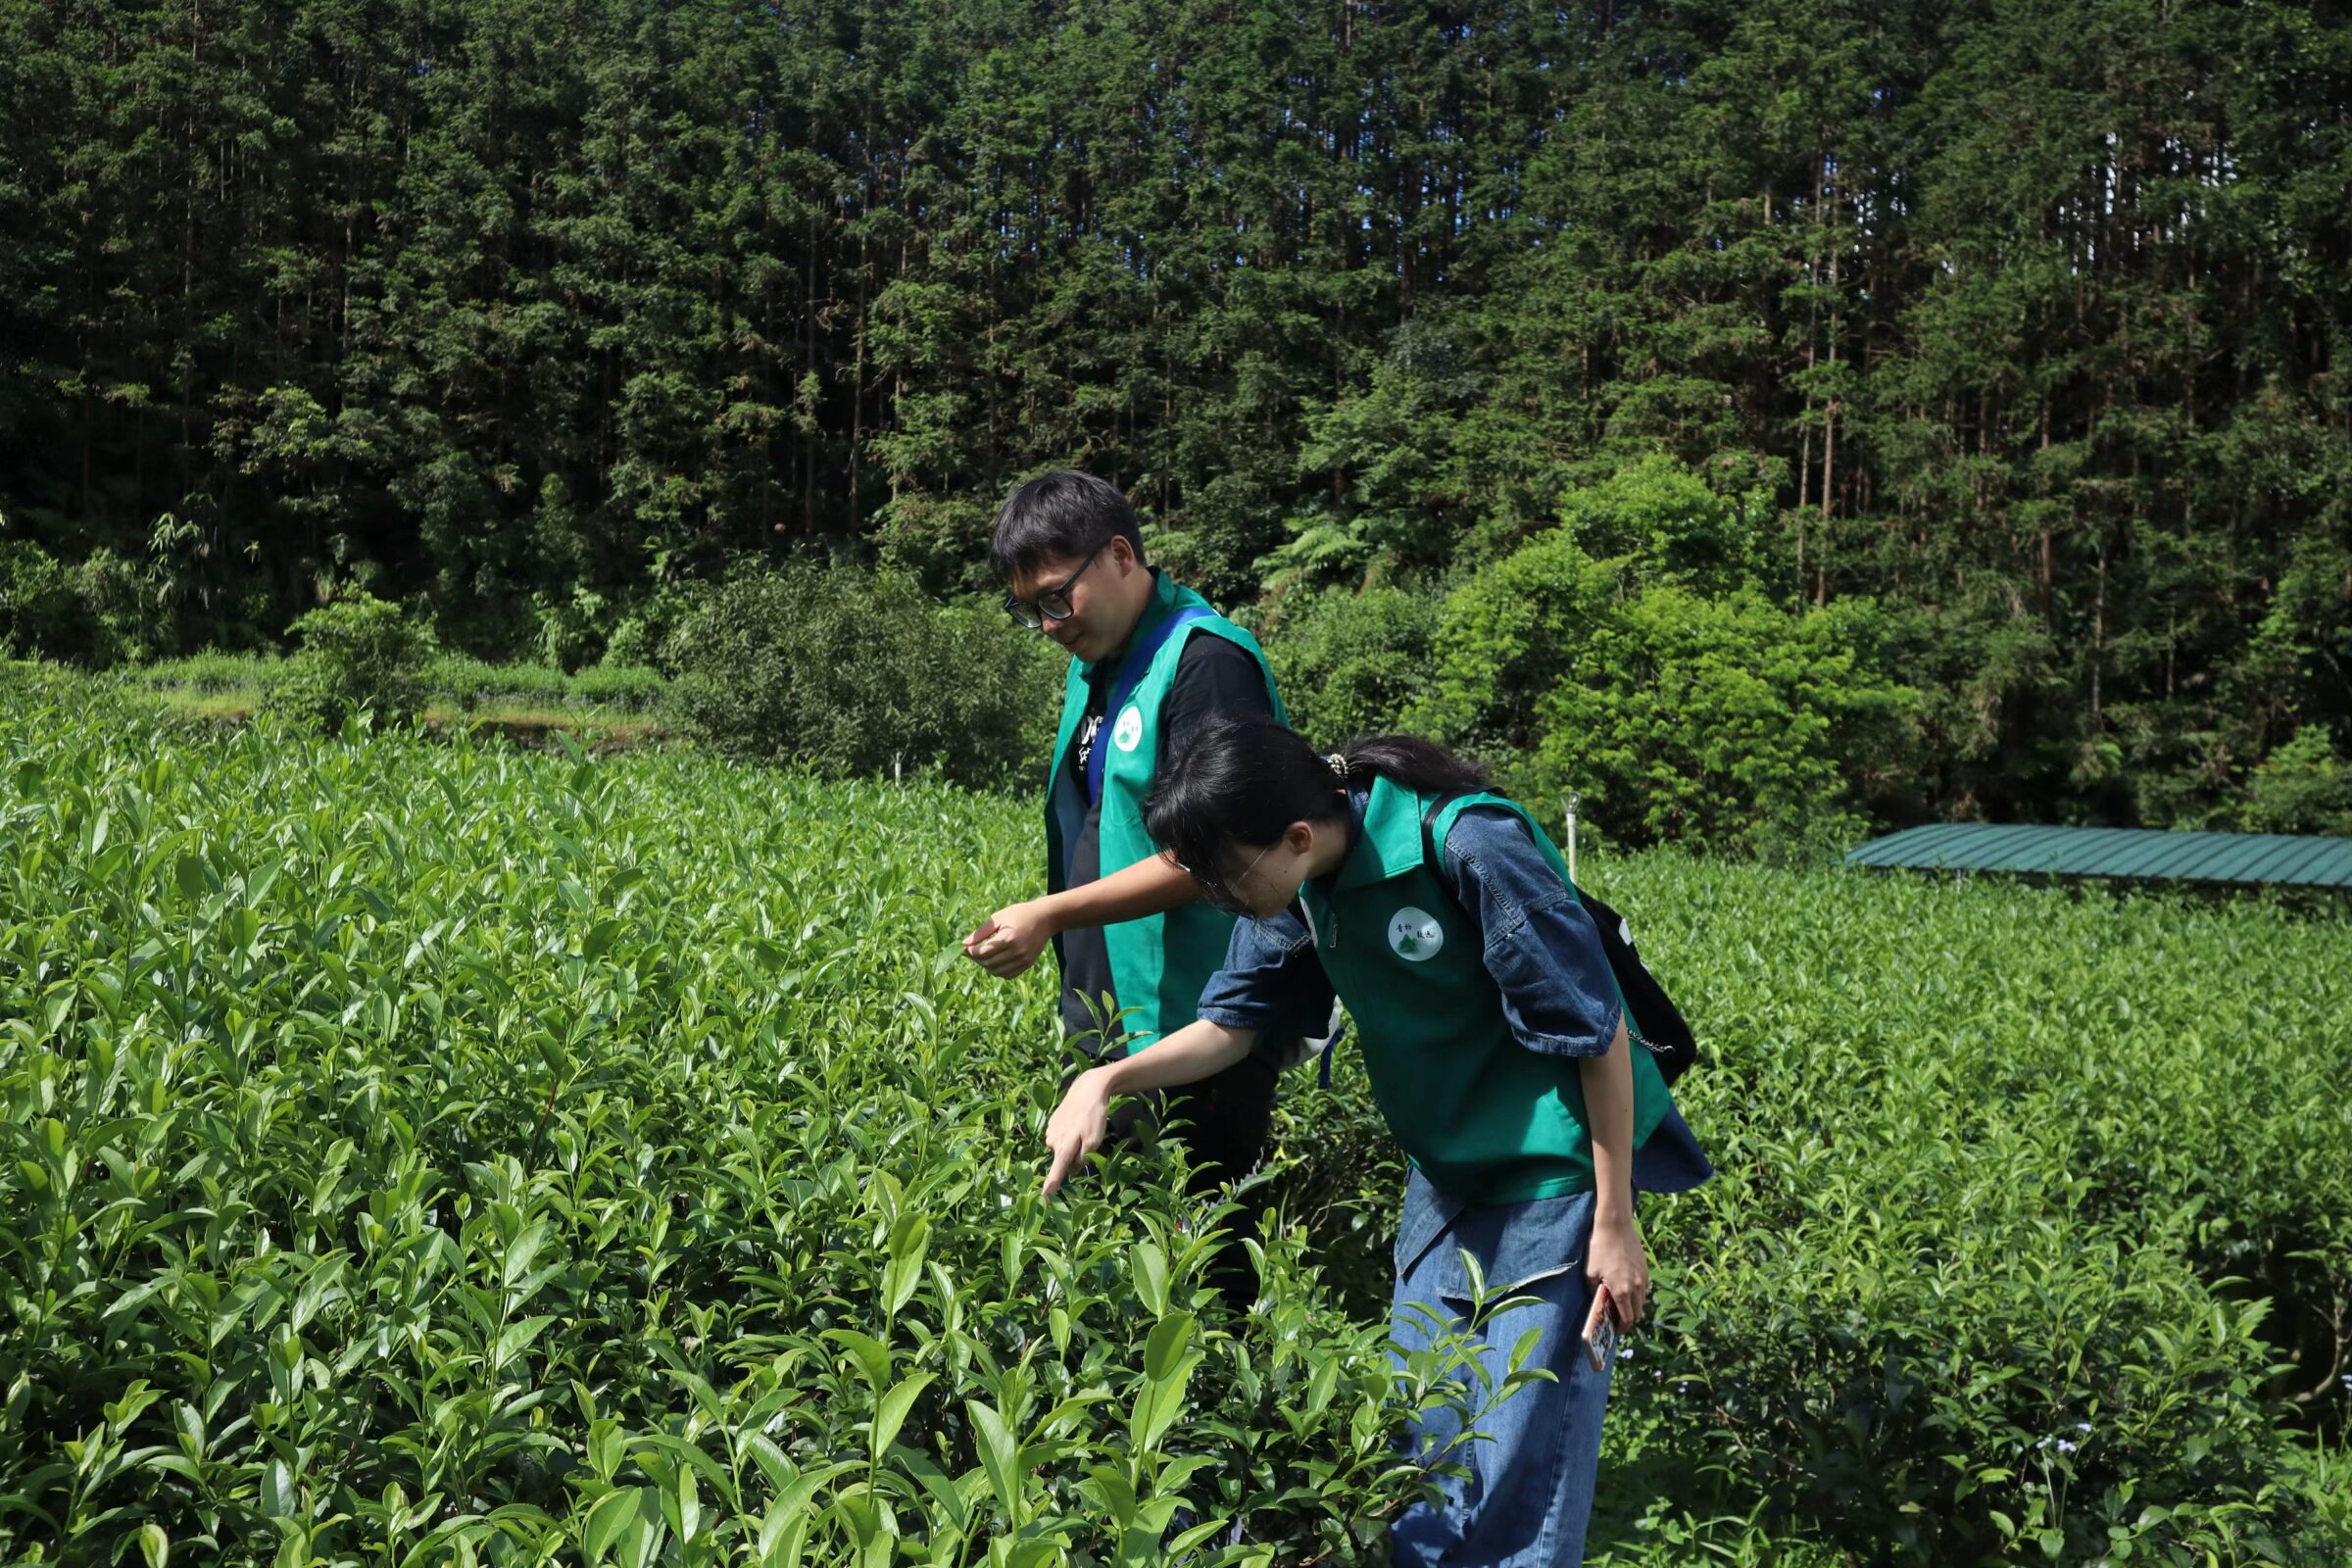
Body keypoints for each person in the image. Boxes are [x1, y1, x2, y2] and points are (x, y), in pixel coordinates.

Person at [1040, 716, 1712, 1568]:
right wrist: (1104, 1079)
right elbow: (1232, 1026)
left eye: (1228, 877)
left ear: (1294, 834)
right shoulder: (1298, 881)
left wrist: (1615, 1224)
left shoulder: (1466, 841)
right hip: (1447, 1170)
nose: (1224, 899)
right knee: (1419, 1440)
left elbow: (1596, 1032)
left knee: (1519, 1463)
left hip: (1558, 1173)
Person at [964, 470, 1290, 1283]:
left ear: (1119, 556)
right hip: (1111, 1021)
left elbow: (1224, 852)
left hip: (1196, 1031)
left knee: (1203, 1274)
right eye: (1028, 608)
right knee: (1116, 1266)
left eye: (1054, 598)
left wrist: (1050, 912)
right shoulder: (1105, 659)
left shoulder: (1208, 665)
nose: (1045, 626)